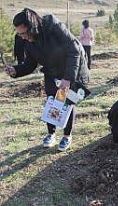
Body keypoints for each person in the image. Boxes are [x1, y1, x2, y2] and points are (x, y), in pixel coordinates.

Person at [3, 8, 89, 151]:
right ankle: (51, 134)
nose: (22, 37)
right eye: (19, 34)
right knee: (52, 100)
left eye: (24, 33)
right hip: (52, 70)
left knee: (67, 101)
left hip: (72, 67)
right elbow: (30, 64)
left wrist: (67, 79)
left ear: (32, 26)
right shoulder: (28, 40)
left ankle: (67, 136)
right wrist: (16, 70)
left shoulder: (52, 26)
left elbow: (73, 50)